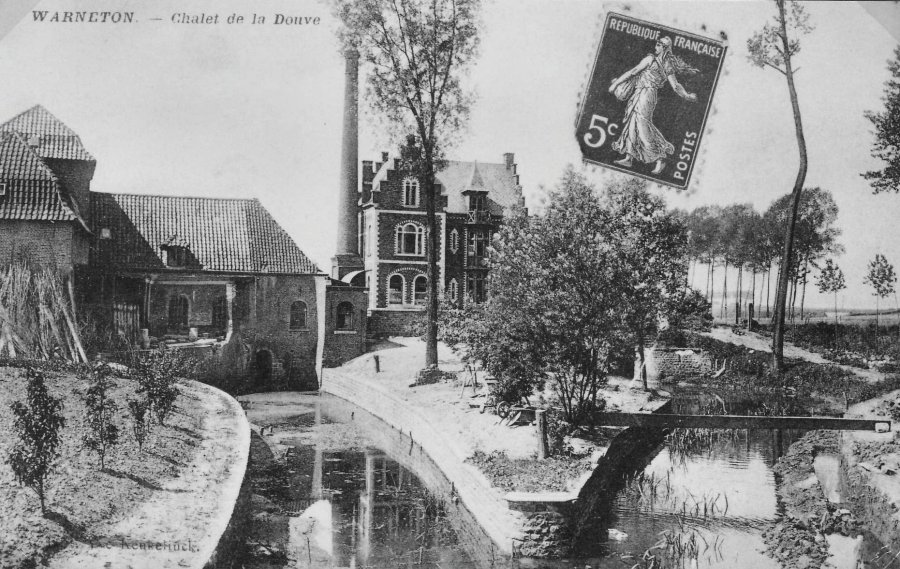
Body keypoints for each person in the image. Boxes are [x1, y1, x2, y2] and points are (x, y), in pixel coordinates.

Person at [608, 36, 698, 175]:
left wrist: (615, 84)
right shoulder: (666, 63)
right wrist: (686, 95)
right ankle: (629, 157)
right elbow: (675, 86)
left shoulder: (653, 60)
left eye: (658, 44)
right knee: (633, 124)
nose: (655, 46)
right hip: (642, 94)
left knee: (643, 126)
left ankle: (660, 158)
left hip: (646, 95)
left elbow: (633, 72)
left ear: (664, 47)